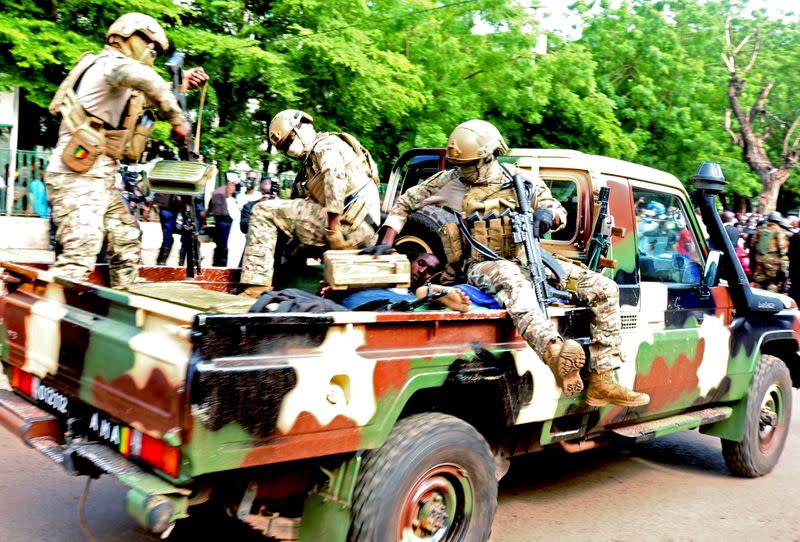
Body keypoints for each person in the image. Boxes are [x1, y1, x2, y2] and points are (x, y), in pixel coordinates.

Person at [380, 120, 649, 407]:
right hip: (483, 264)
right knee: (515, 282)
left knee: (603, 287)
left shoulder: (521, 181)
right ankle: (554, 352)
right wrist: (387, 239)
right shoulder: (449, 182)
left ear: (491, 155)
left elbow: (558, 211)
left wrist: (548, 216)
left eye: (470, 165)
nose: (464, 171)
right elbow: (404, 204)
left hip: (528, 257)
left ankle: (603, 381)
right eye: (461, 165)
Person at [44, 12, 208, 288]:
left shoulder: (115, 77)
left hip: (99, 179)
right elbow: (147, 81)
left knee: (125, 239)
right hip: (76, 178)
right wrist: (177, 120)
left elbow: (144, 97)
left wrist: (180, 85)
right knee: (79, 255)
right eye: (151, 46)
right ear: (129, 38)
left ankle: (127, 300)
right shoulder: (110, 64)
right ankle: (38, 320)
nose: (152, 53)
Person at [239, 110, 380, 297]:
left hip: (347, 226)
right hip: (360, 228)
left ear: (300, 127)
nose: (289, 149)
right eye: (284, 147)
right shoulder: (313, 161)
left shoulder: (325, 146)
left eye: (289, 140)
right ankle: (286, 290)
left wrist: (333, 230)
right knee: (291, 247)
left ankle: (256, 288)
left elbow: (335, 179)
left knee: (263, 210)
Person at [332, 252, 472, 312]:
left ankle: (431, 295)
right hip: (365, 301)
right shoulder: (383, 275)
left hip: (403, 306)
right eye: (421, 263)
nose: (421, 271)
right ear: (411, 262)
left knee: (416, 301)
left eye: (429, 270)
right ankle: (430, 294)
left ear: (431, 277)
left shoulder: (411, 294)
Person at [750, 211, 789, 292]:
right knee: (772, 282)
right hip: (772, 260)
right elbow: (782, 248)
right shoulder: (779, 231)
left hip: (759, 258)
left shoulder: (760, 229)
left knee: (758, 280)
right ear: (778, 220)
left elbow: (752, 244)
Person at [208, 177, 237, 266]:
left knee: (220, 244)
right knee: (224, 245)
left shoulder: (218, 192)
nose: (234, 188)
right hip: (225, 222)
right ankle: (221, 263)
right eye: (233, 186)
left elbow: (210, 208)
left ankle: (217, 262)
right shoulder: (225, 196)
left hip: (220, 221)